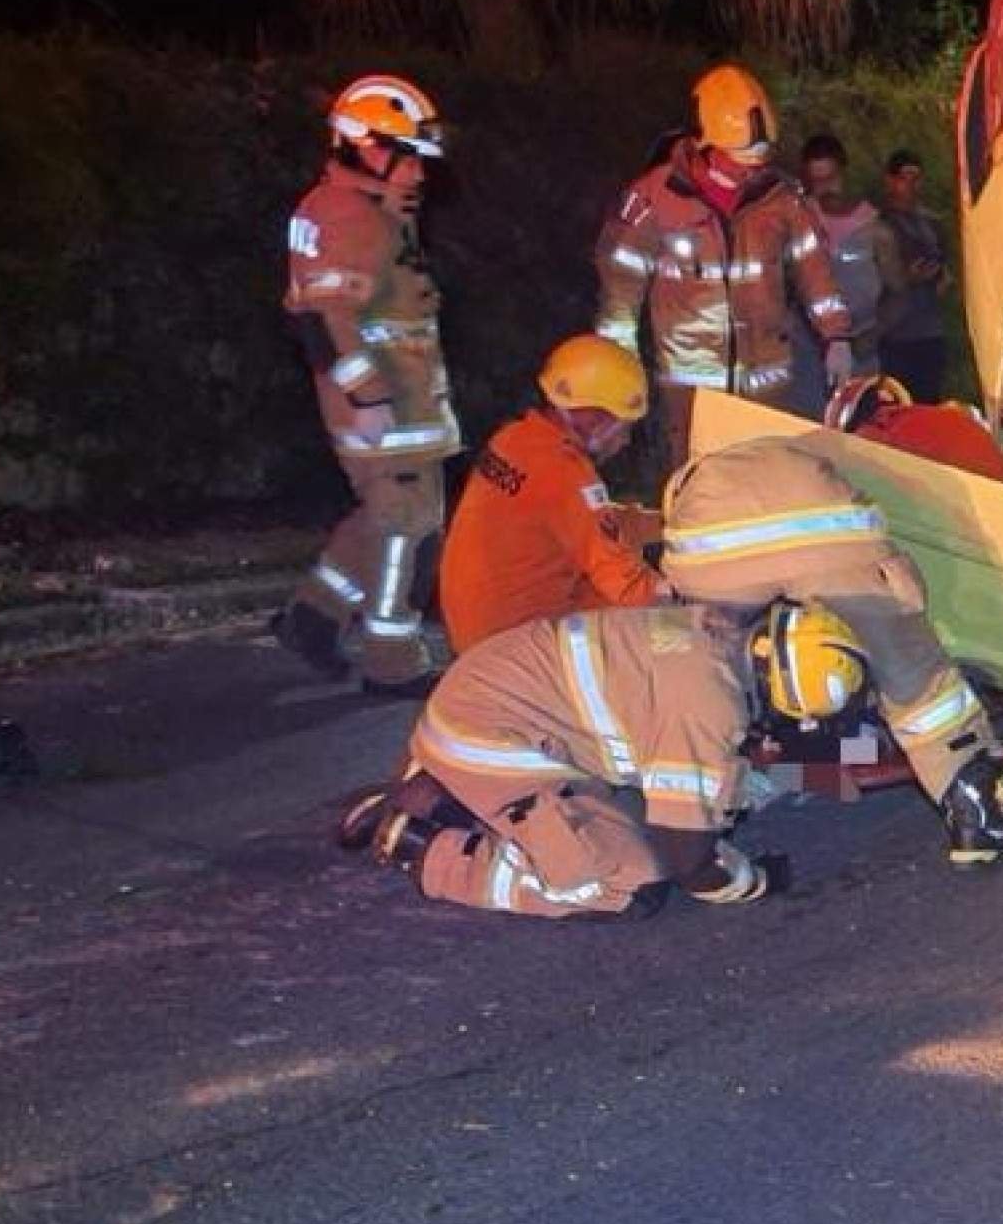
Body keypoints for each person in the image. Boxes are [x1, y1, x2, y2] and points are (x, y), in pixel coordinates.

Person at [338, 600, 866, 923]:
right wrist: (751, 880)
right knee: (629, 881)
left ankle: (444, 788)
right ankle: (430, 847)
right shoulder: (708, 707)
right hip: (493, 735)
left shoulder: (719, 631)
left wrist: (828, 767)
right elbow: (690, 862)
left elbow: (742, 763)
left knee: (727, 795)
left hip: (491, 701)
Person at [658, 418, 1003, 864]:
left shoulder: (702, 479)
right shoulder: (832, 455)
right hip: (828, 536)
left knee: (710, 672)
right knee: (918, 679)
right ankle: (976, 817)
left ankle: (706, 813)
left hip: (709, 553)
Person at [273, 73, 461, 690]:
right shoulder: (347, 216)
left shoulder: (367, 212)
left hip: (403, 404)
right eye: (406, 157)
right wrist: (369, 397)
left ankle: (315, 616)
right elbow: (323, 321)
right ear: (366, 145)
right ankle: (392, 660)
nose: (419, 172)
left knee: (387, 518)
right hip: (385, 409)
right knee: (404, 531)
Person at [592, 64, 860, 476]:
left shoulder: (781, 200)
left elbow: (815, 273)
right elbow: (619, 291)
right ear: (706, 146)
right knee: (693, 488)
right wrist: (618, 373)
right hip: (691, 395)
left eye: (760, 158)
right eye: (741, 159)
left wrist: (837, 337)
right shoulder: (653, 200)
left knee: (763, 489)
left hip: (765, 391)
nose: (752, 168)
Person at [435, 335, 668, 652]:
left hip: (476, 629)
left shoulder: (514, 440)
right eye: (625, 427)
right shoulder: (568, 475)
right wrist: (687, 601)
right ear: (596, 419)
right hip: (516, 646)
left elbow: (581, 521)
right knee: (663, 629)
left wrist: (665, 524)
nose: (625, 441)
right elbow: (628, 587)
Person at [799, 133, 887, 385]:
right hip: (810, 352)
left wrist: (871, 337)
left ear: (845, 171)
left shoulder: (875, 228)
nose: (825, 188)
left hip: (862, 353)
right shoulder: (798, 220)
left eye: (831, 178)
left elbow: (898, 293)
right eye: (816, 181)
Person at [873, 149, 953, 400]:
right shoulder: (879, 225)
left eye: (916, 178)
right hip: (895, 333)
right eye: (904, 178)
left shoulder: (931, 223)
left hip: (928, 331)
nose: (910, 186)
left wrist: (941, 278)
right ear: (890, 180)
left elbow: (943, 263)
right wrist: (908, 278)